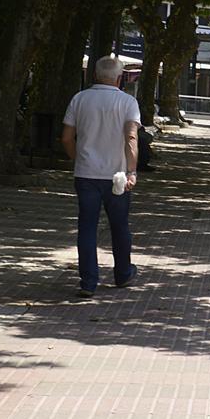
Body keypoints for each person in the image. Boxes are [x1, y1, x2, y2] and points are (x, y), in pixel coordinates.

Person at [60, 56, 140, 298]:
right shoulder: (128, 102)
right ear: (119, 78)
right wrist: (132, 171)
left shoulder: (80, 99)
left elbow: (66, 138)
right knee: (119, 225)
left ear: (94, 75)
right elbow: (131, 138)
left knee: (86, 226)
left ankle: (88, 281)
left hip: (86, 174)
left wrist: (78, 159)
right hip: (116, 174)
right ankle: (123, 273)